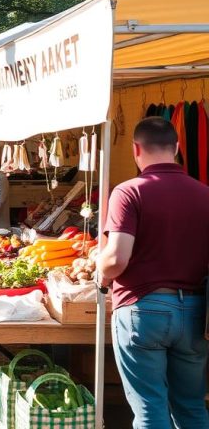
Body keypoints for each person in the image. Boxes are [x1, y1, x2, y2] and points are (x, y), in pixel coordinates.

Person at [97, 117, 209, 429]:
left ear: (135, 149)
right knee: (192, 408)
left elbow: (117, 258)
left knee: (150, 410)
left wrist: (100, 270)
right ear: (177, 148)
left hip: (142, 310)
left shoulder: (129, 192)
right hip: (197, 314)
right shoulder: (205, 194)